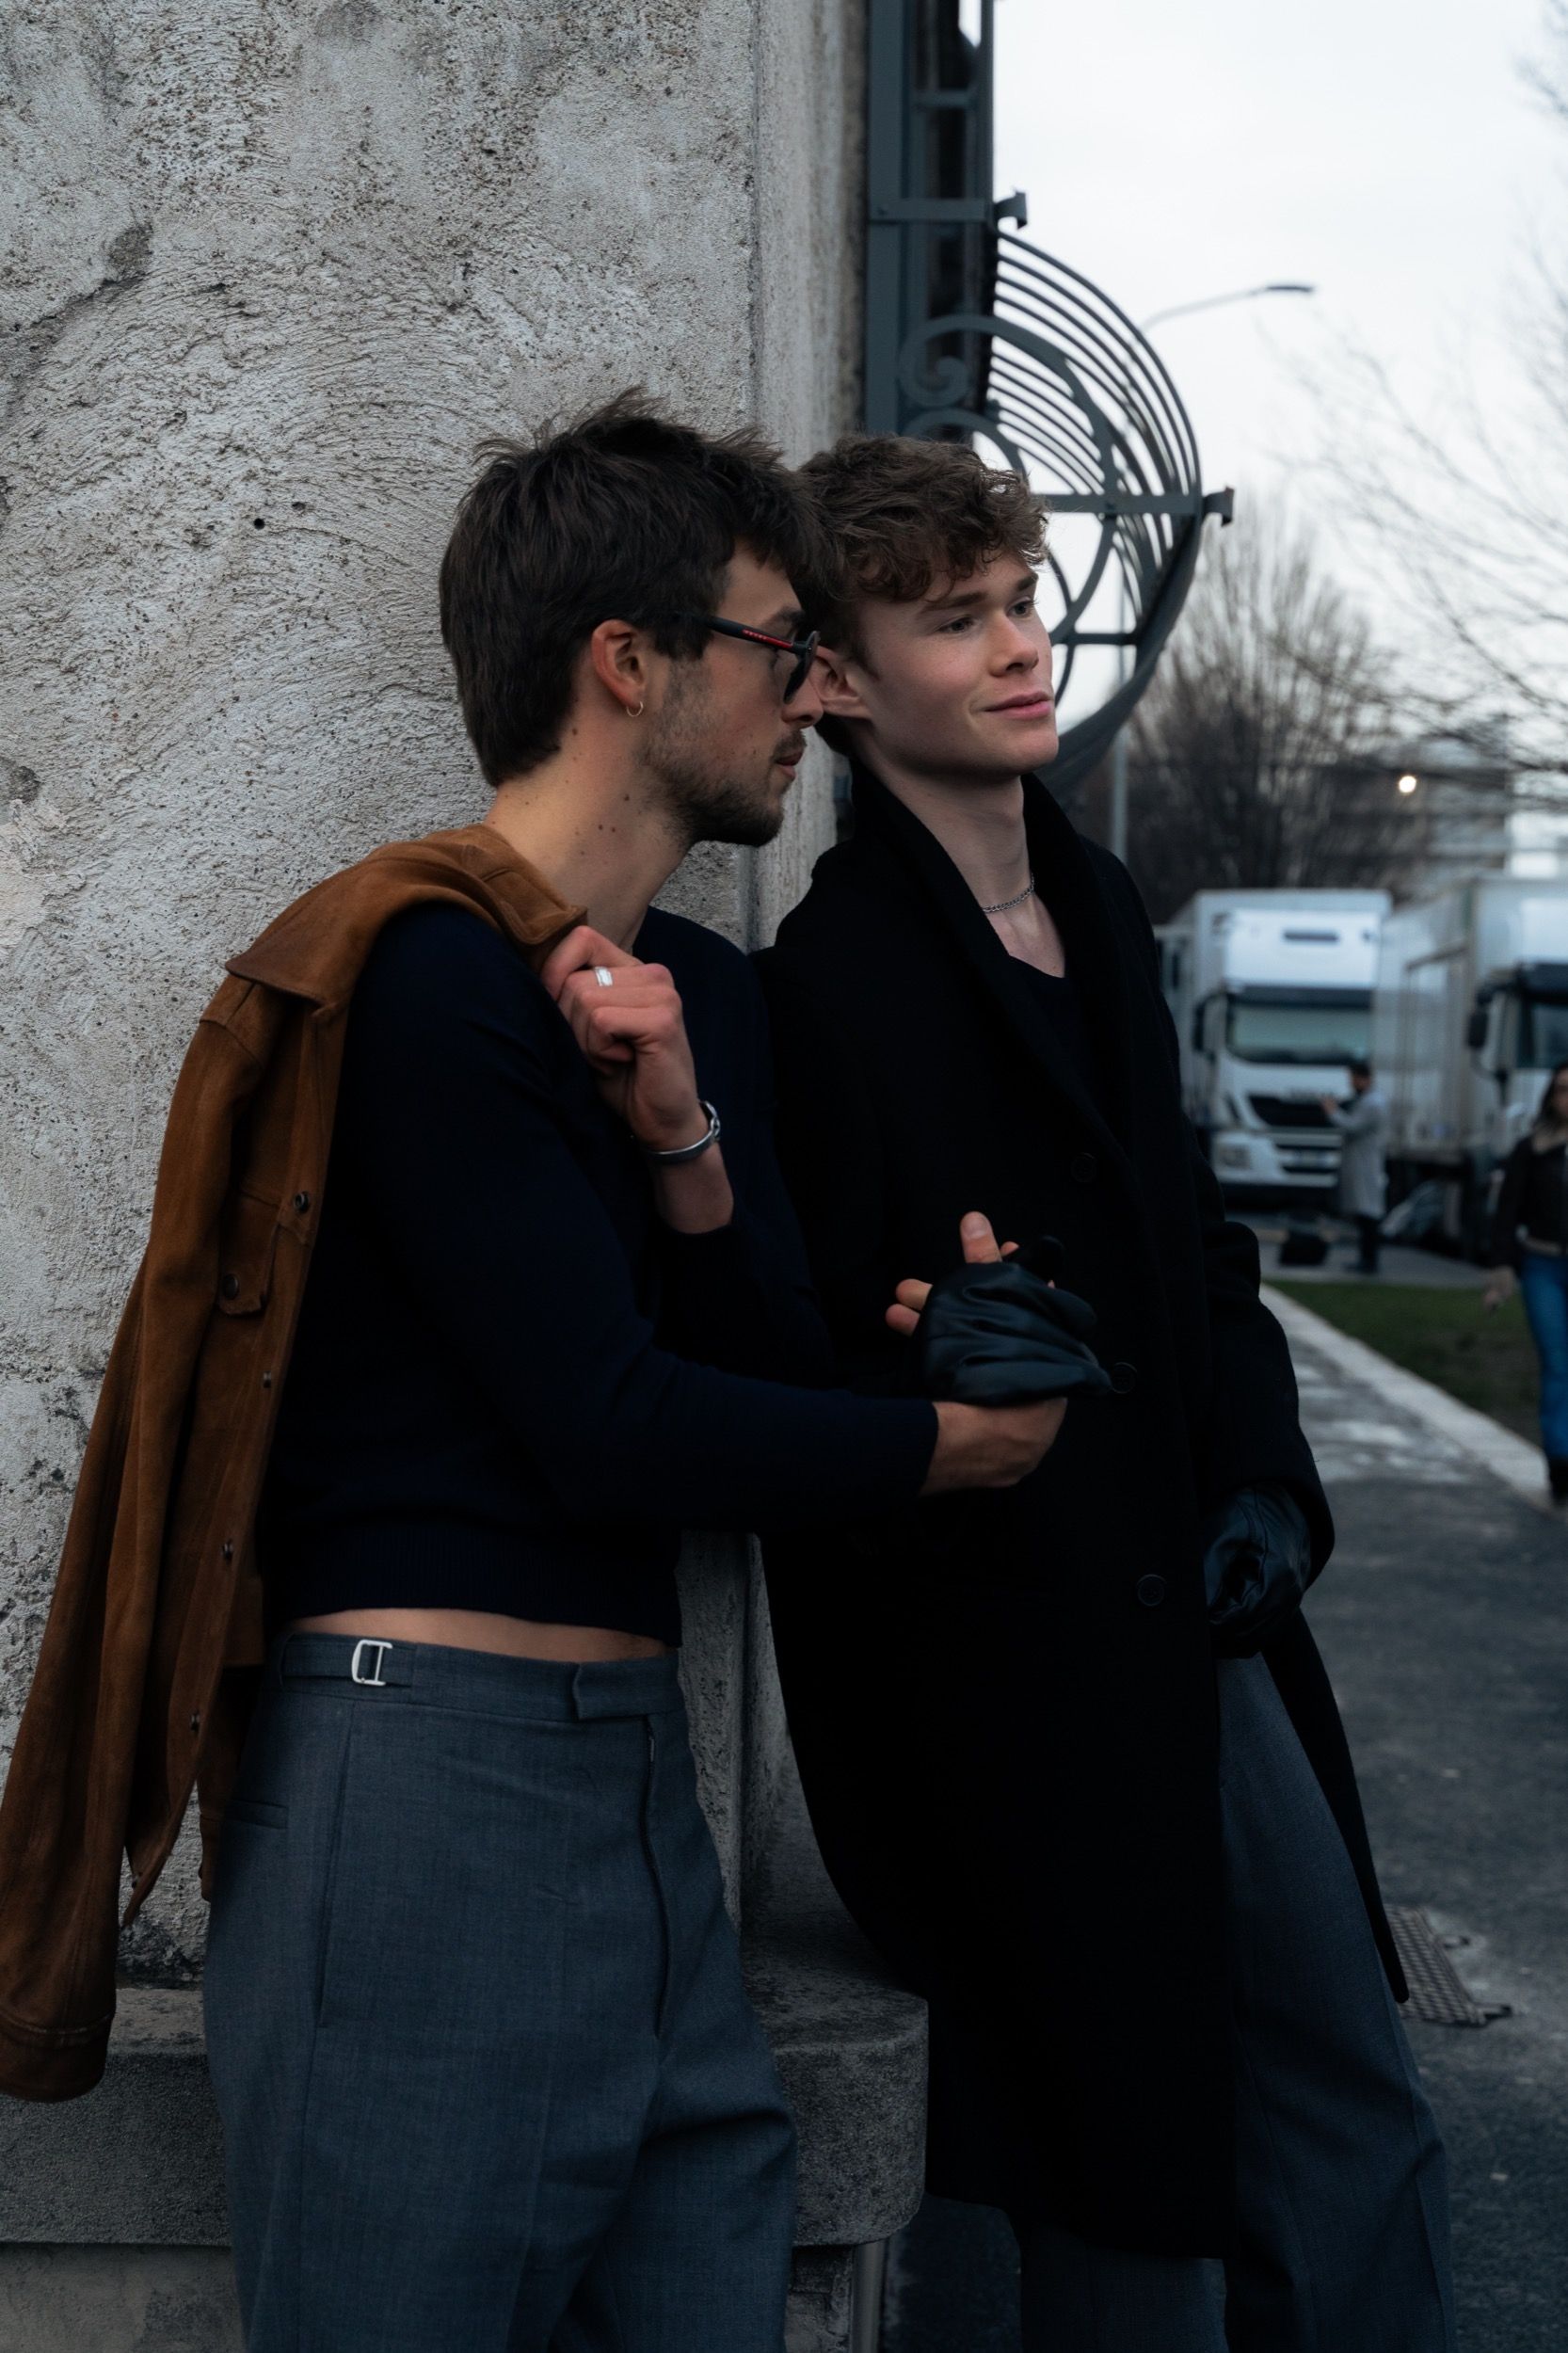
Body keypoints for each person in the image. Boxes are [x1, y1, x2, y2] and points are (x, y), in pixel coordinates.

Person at [0, 397, 1064, 2353]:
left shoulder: (702, 996)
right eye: (779, 645)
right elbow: (607, 1427)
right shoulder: (422, 975)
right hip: (422, 1777)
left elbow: (753, 1368)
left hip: (633, 1783)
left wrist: (685, 1141)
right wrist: (946, 1447)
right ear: (627, 661)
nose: (813, 694)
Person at [756, 432, 1455, 2353]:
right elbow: (801, 1360)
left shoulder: (1102, 910)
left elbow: (1205, 1256)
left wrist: (1269, 1487)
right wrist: (930, 1352)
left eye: (1019, 600)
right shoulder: (828, 982)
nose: (1016, 646)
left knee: (1344, 2096)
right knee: (1114, 2179)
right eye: (951, 618)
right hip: (1021, 1678)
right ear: (835, 682)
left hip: (1208, 1615)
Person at [1484, 1060, 1568, 1499]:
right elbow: (1507, 1215)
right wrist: (1501, 1274)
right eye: (1563, 1089)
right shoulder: (1532, 1150)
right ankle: (1560, 1459)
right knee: (1557, 1362)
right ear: (1551, 1098)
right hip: (1543, 1267)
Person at [1323, 1057, 1389, 1273]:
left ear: (1363, 1079)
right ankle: (1366, 1258)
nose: (1351, 1083)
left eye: (1352, 1078)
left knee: (1368, 1212)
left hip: (1366, 1165)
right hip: (1361, 1163)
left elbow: (1352, 1126)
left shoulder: (1373, 1103)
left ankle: (1369, 1260)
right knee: (1364, 1212)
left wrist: (1332, 1111)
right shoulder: (1368, 1101)